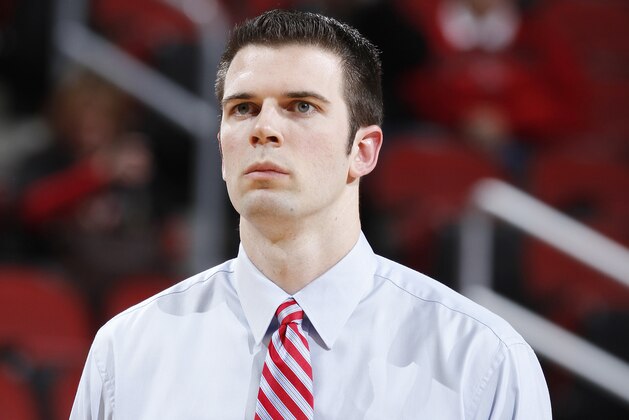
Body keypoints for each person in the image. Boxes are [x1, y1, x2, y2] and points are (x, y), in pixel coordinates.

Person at [71, 9, 551, 419]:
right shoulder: (126, 352)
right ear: (221, 148)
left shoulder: (482, 359)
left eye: (300, 106)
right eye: (243, 108)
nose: (264, 128)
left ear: (363, 150)